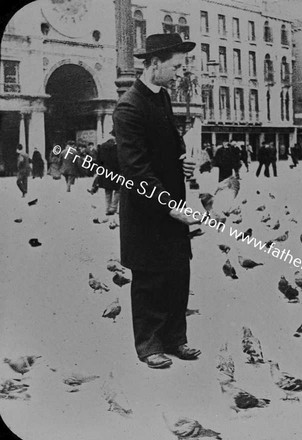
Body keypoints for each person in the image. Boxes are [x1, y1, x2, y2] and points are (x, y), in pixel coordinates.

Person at [113, 33, 201, 369]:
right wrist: (169, 206)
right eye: (176, 66)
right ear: (154, 64)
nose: (180, 72)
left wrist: (185, 160)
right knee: (150, 277)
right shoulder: (128, 107)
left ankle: (176, 339)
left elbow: (169, 148)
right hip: (147, 211)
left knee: (178, 272)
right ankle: (149, 345)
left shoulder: (162, 98)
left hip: (170, 206)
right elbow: (135, 169)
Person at [96, 137, 120, 215]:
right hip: (116, 171)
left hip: (105, 172)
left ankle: (107, 208)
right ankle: (113, 208)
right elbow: (119, 160)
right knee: (118, 190)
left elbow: (98, 161)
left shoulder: (101, 147)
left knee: (108, 191)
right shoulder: (116, 148)